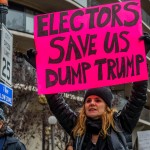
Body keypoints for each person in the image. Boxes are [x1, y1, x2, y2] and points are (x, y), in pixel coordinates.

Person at [25, 33, 150, 150]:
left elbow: (138, 97)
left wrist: (140, 59)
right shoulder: (77, 126)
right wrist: (42, 71)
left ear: (107, 106)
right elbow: (56, 103)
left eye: (98, 100)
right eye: (88, 100)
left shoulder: (121, 124)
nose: (92, 103)